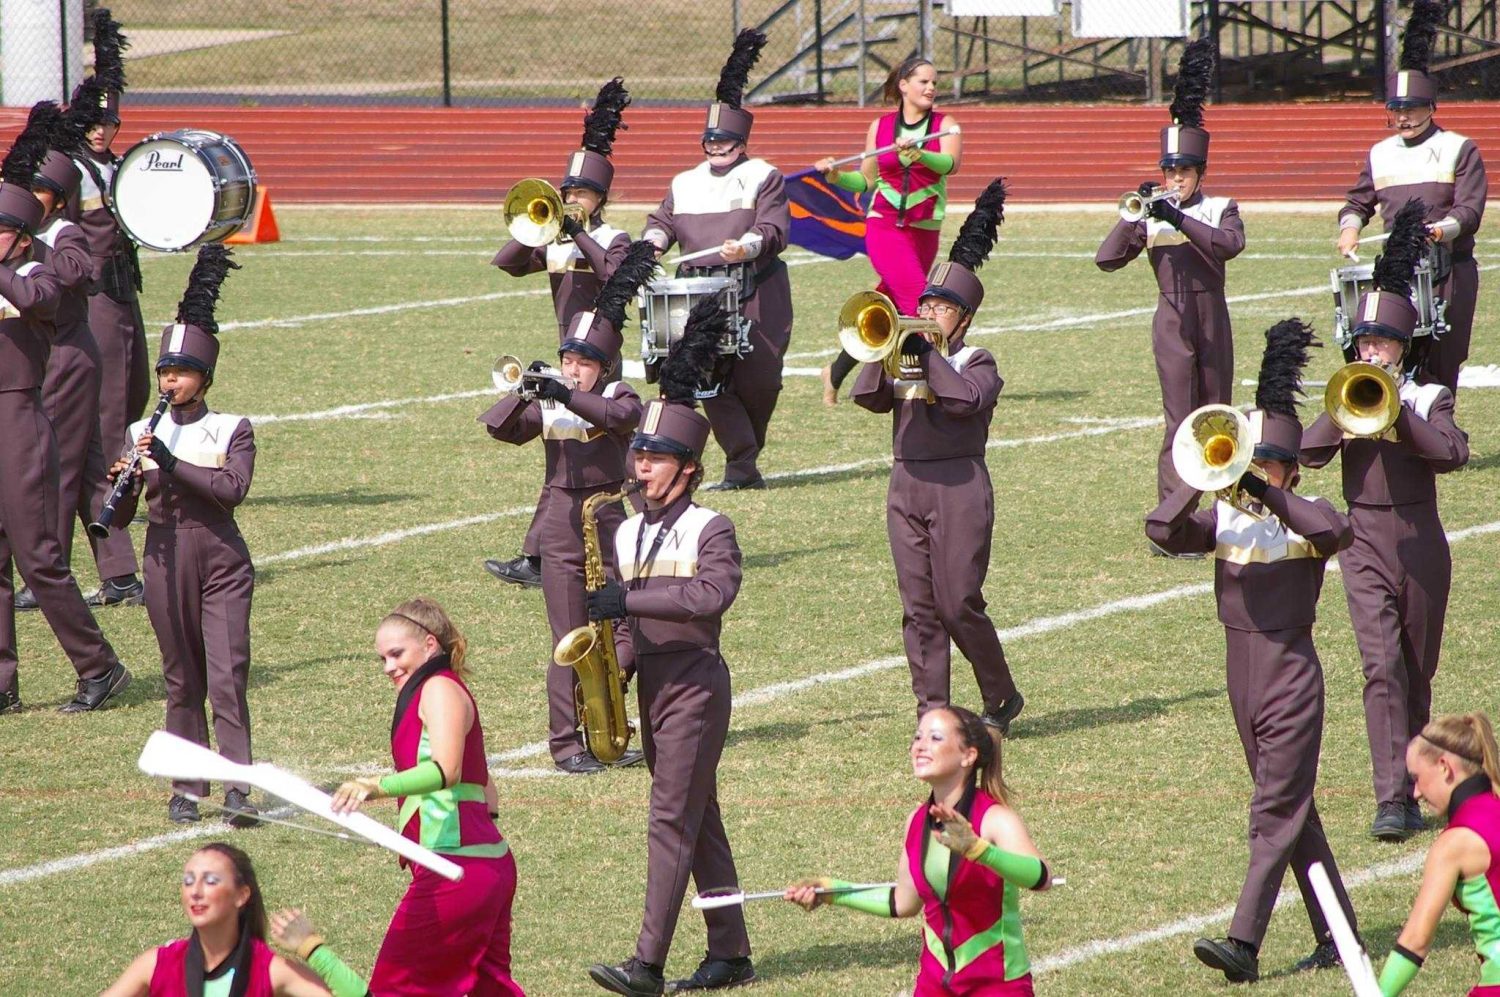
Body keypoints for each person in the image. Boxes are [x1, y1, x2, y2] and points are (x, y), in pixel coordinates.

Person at [1147, 318, 1362, 983]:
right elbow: (1161, 529)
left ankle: (1244, 941)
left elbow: (1335, 531)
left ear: (1291, 470)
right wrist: (1203, 475)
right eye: (1252, 458)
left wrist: (1270, 492)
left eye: (1266, 460)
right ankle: (1342, 935)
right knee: (1293, 809)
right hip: (1239, 674)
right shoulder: (1227, 519)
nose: (1254, 470)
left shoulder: (1307, 513)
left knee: (1274, 809)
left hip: (1289, 672)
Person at [584, 304, 753, 995]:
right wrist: (608, 671)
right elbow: (626, 624)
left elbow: (710, 597)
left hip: (696, 682)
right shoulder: (624, 534)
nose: (640, 465)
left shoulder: (713, 527)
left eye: (653, 458)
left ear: (688, 468)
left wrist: (631, 603)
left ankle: (646, 963)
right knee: (696, 816)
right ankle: (731, 951)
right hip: (652, 683)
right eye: (638, 454)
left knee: (669, 819)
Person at [1302, 198, 1469, 842]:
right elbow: (1309, 455)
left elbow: (1451, 454)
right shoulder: (1349, 390)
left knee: (1415, 667)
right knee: (1379, 667)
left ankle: (1422, 777)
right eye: (1366, 341)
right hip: (1364, 537)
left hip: (1421, 537)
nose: (1374, 350)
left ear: (1405, 346)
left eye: (1384, 343)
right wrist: (1349, 404)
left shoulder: (1427, 395)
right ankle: (1391, 796)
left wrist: (1398, 411)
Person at [852, 178, 1024, 733]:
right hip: (906, 485)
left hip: (959, 486)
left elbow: (963, 401)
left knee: (958, 603)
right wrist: (886, 350)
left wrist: (928, 355)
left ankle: (1000, 695)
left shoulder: (977, 359)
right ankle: (933, 708)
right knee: (919, 608)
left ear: (964, 318)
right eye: (927, 301)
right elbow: (867, 398)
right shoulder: (906, 350)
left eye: (943, 306)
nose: (929, 310)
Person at [479, 241, 656, 774]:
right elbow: (499, 428)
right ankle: (565, 744)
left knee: (630, 626)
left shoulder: (620, 393)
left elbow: (621, 417)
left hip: (609, 516)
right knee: (570, 634)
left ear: (602, 366)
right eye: (567, 361)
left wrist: (566, 392)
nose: (573, 370)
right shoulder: (552, 404)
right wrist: (528, 393)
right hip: (560, 520)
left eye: (582, 363)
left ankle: (606, 711)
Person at [107, 246, 259, 826]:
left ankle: (238, 784)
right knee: (180, 677)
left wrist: (167, 463)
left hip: (219, 554)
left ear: (205, 378)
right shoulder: (139, 430)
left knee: (226, 674)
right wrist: (119, 483)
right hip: (164, 554)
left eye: (182, 372)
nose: (170, 381)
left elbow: (231, 489)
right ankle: (188, 786)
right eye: (166, 371)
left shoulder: (231, 427)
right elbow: (119, 520)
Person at [309, 598, 523, 996]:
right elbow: (486, 791)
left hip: (455, 868)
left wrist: (376, 786)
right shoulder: (441, 689)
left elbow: (447, 770)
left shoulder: (439, 688)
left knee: (394, 988)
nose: (389, 667)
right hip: (476, 868)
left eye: (396, 654)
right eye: (382, 659)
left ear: (429, 645)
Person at [0, 107, 131, 716]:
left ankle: (100, 666)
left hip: (21, 419)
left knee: (40, 556)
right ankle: (3, 681)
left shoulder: (35, 271)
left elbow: (38, 297)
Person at [784, 706, 1051, 996]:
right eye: (917, 737)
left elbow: (1042, 877)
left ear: (968, 755)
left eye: (935, 738)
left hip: (998, 985)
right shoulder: (916, 822)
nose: (920, 746)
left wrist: (979, 850)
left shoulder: (995, 819)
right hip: (934, 985)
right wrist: (830, 891)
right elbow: (903, 902)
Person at [488, 77, 635, 590]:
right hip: (569, 348)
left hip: (602, 355)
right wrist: (535, 223)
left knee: (588, 451)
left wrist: (576, 231)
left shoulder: (615, 238)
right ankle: (543, 555)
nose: (574, 199)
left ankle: (551, 555)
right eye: (569, 191)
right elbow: (506, 263)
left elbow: (618, 277)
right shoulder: (553, 237)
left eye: (584, 193)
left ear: (602, 197)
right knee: (564, 448)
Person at [1095, 39, 1245, 509]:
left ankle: (1225, 505)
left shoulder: (1221, 207)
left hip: (1212, 312)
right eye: (1169, 171)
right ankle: (1175, 514)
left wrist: (1180, 219)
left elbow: (1229, 246)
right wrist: (1134, 217)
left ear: (1200, 172)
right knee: (1179, 417)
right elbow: (1106, 258)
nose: (1174, 180)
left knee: (1218, 412)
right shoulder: (1151, 214)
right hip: (1171, 316)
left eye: (1183, 172)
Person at [643, 28, 792, 491]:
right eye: (709, 141)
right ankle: (742, 467)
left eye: (723, 141)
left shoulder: (764, 176)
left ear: (741, 141)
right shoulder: (684, 181)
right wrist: (650, 245)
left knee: (761, 382)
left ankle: (747, 452)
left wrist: (745, 246)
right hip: (697, 292)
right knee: (711, 380)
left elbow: (772, 230)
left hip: (754, 288)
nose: (715, 148)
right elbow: (661, 222)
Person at [15, 99, 141, 613]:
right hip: (64, 347)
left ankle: (50, 574)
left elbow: (73, 274)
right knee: (88, 459)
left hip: (66, 349)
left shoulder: (56, 234)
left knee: (58, 463)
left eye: (38, 193)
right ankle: (119, 572)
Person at [1337, 0, 1487, 393]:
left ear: (1431, 107)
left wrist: (1439, 230)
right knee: (1395, 351)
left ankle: (1441, 433)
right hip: (1398, 270)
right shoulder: (1380, 152)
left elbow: (1469, 211)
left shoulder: (1459, 148)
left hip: (1448, 268)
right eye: (1396, 109)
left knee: (1443, 354)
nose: (1402, 117)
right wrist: (1349, 229)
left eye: (1411, 108)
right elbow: (1357, 203)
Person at [815, 56, 962, 406]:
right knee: (917, 301)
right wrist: (835, 176)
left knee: (890, 306)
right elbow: (865, 181)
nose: (930, 88)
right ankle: (941, 381)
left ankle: (835, 372)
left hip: (925, 229)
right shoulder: (880, 128)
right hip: (884, 226)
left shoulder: (945, 124)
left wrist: (920, 155)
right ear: (903, 86)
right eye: (923, 82)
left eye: (934, 83)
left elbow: (951, 164)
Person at [64, 9, 148, 607]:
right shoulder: (68, 170)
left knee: (135, 397)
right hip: (92, 302)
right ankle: (112, 555)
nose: (103, 128)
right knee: (106, 420)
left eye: (110, 120)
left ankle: (115, 549)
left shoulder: (116, 166)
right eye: (93, 120)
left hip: (122, 294)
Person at [101, 842, 332, 996]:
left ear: (242, 895)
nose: (195, 892)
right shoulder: (157, 965)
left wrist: (314, 949)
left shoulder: (270, 970)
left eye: (211, 881)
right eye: (188, 881)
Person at [1375, 712, 1500, 996]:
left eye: (1417, 778)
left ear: (1444, 767)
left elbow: (1416, 941)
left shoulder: (1455, 843)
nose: (1416, 793)